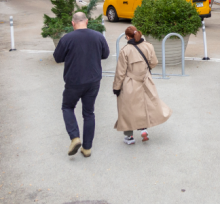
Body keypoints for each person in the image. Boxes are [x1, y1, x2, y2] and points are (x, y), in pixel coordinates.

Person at [53, 12, 110, 158]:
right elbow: (105, 54)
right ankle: (87, 148)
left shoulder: (67, 38)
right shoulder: (98, 36)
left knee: (67, 107)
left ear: (73, 23)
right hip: (93, 81)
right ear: (87, 21)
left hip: (74, 81)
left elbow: (57, 58)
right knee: (89, 113)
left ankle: (75, 137)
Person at [113, 26, 172, 145]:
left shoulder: (125, 50)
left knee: (127, 109)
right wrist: (145, 70)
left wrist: (116, 88)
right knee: (145, 104)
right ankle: (143, 130)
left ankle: (129, 137)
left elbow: (120, 72)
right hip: (146, 80)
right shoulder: (148, 46)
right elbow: (154, 62)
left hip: (130, 82)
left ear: (128, 37)